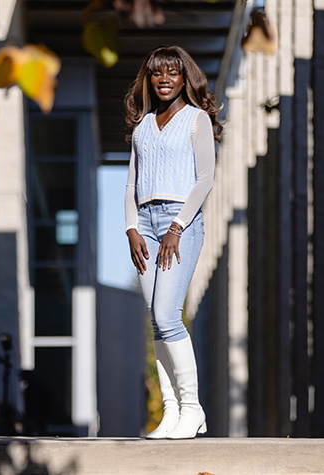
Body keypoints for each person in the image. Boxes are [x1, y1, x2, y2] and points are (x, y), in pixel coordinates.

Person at [124, 45, 221, 439]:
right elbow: (131, 182)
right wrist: (131, 228)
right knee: (156, 323)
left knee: (168, 315)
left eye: (172, 73)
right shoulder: (143, 125)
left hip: (179, 223)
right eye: (156, 73)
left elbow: (205, 179)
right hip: (144, 224)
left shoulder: (197, 120)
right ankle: (170, 411)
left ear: (185, 78)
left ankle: (193, 408)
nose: (164, 79)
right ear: (148, 79)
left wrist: (177, 227)